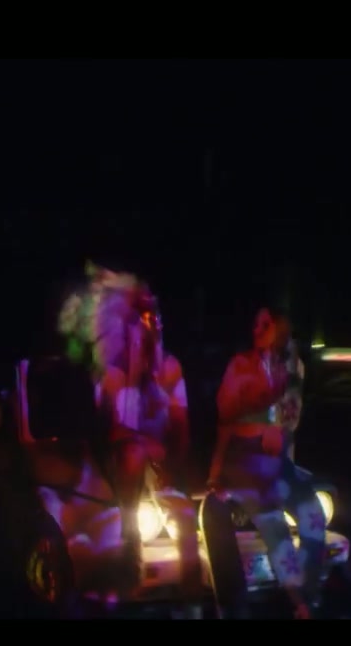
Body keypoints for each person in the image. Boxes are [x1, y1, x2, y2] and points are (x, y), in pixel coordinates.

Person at [59, 263, 203, 618]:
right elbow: (114, 432)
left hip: (156, 463)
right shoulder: (111, 373)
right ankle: (127, 561)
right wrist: (135, 369)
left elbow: (181, 430)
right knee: (133, 454)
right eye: (141, 318)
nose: (150, 325)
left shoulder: (170, 368)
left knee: (185, 519)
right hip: (120, 466)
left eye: (154, 317)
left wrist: (170, 466)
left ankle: (193, 603)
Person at [207, 307, 326, 619]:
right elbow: (226, 421)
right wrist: (215, 474)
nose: (257, 330)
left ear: (280, 328)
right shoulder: (240, 365)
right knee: (275, 526)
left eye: (266, 324)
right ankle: (300, 604)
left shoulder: (291, 368)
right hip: (246, 464)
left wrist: (277, 428)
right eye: (255, 325)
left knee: (314, 515)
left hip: (277, 464)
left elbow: (290, 420)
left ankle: (307, 598)